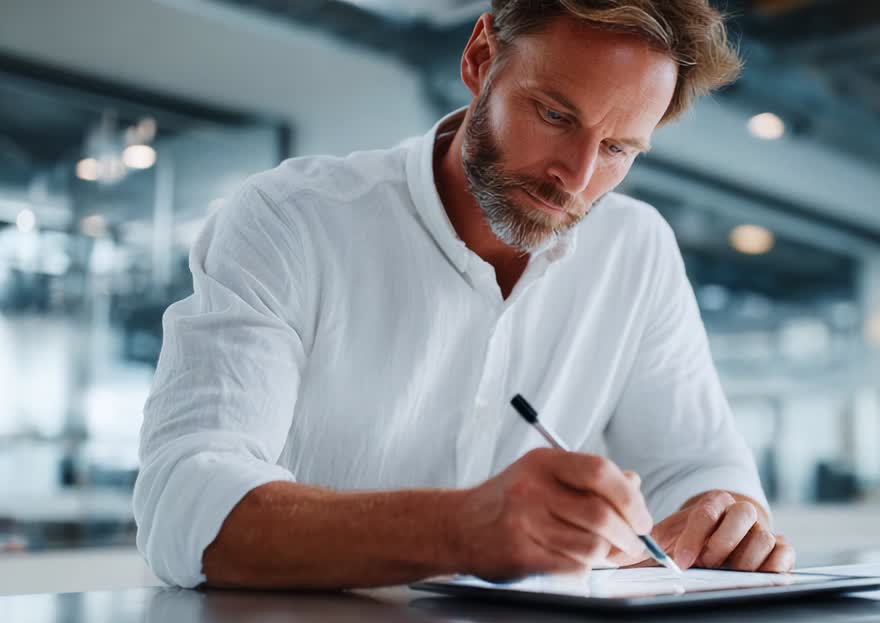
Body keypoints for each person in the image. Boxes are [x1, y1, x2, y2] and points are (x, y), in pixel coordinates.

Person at [133, 0, 795, 590]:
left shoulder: (637, 248)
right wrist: (459, 529)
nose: (577, 176)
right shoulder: (291, 219)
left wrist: (725, 512)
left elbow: (700, 465)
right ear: (481, 58)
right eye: (554, 113)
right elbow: (183, 502)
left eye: (619, 147)